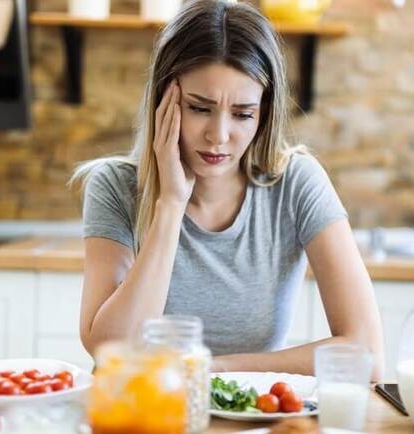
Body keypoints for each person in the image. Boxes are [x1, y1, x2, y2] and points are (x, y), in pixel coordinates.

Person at [71, 0, 384, 378]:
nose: (218, 136)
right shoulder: (115, 186)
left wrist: (211, 369)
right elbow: (112, 351)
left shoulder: (297, 183)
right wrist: (170, 204)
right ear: (163, 101)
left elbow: (366, 354)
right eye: (199, 108)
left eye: (242, 114)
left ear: (264, 113)